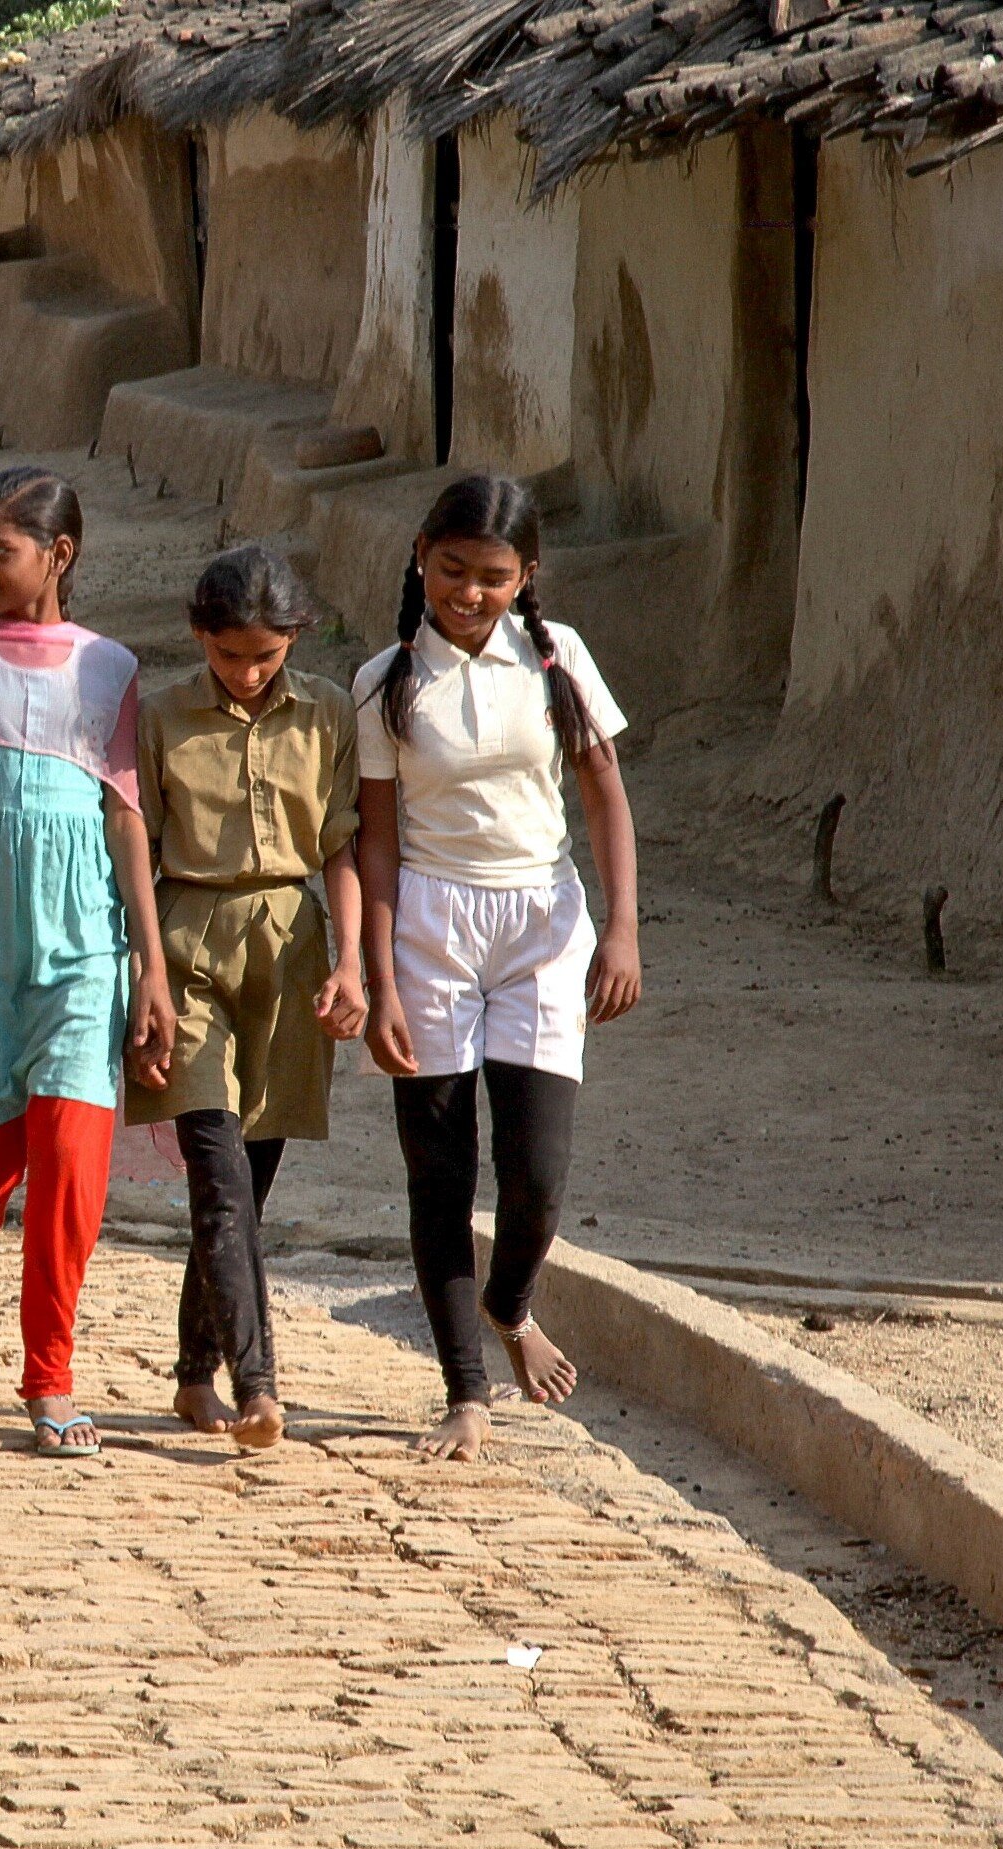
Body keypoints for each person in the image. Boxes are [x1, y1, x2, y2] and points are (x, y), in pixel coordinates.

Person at [354, 474, 642, 1462]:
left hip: (542, 923)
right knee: (438, 1171)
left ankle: (509, 1301)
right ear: (419, 557)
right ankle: (464, 1392)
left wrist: (621, 929)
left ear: (526, 576)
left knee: (537, 1178)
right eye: (450, 571)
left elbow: (603, 796)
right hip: (428, 923)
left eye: (491, 576)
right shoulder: (383, 680)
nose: (468, 594)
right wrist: (380, 975)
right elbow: (377, 845)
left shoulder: (559, 665)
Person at [0, 468, 172, 1458]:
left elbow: (125, 816)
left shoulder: (109, 668)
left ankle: (50, 1375)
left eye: (0, 550)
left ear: (59, 554)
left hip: (82, 945)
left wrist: (147, 965)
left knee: (69, 1164)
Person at [133, 546, 366, 1452]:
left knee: (246, 1188)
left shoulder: (330, 712)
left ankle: (194, 1375)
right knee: (217, 1176)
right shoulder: (158, 718)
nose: (248, 672)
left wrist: (351, 965)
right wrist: (144, 977)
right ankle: (258, 1386)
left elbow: (341, 845)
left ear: (295, 641)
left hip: (291, 954)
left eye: (266, 655)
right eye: (230, 656)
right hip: (187, 946)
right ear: (201, 638)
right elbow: (139, 855)